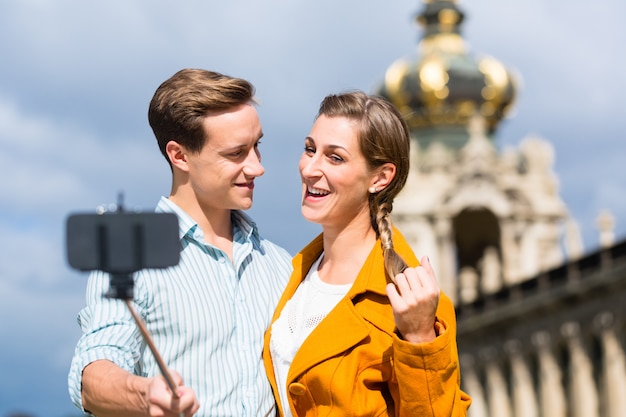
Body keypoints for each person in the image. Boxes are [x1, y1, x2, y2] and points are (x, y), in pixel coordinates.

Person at [68, 68, 292, 417]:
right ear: (180, 156)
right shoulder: (131, 256)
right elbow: (96, 369)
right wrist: (145, 395)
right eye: (236, 153)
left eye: (257, 146)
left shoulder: (282, 265)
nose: (257, 167)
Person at [262, 91, 472, 416]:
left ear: (380, 178)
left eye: (335, 158)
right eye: (309, 149)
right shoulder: (288, 277)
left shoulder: (409, 299)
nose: (310, 169)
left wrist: (419, 338)